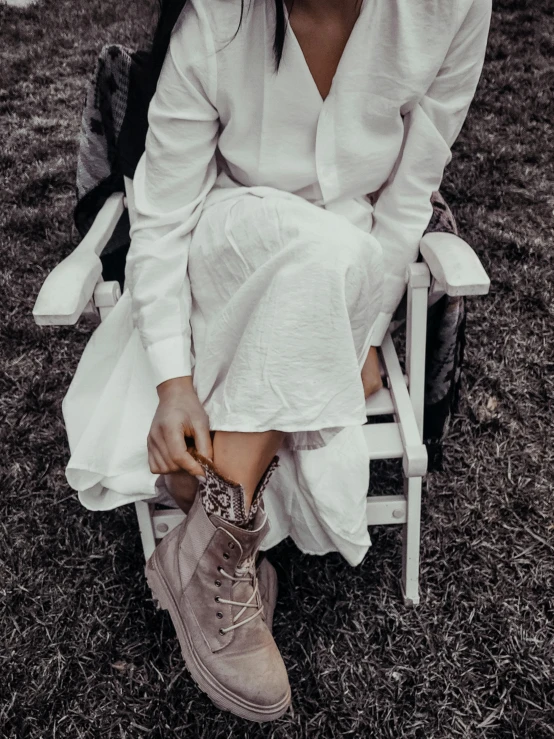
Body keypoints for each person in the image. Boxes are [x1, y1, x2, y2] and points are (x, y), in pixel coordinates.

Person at [62, 0, 492, 721]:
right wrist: (171, 381)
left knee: (338, 250)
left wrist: (357, 332)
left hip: (350, 260)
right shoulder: (219, 18)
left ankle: (208, 538)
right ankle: (216, 547)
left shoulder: (450, 8)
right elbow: (164, 215)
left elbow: (409, 194)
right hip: (230, 243)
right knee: (331, 252)